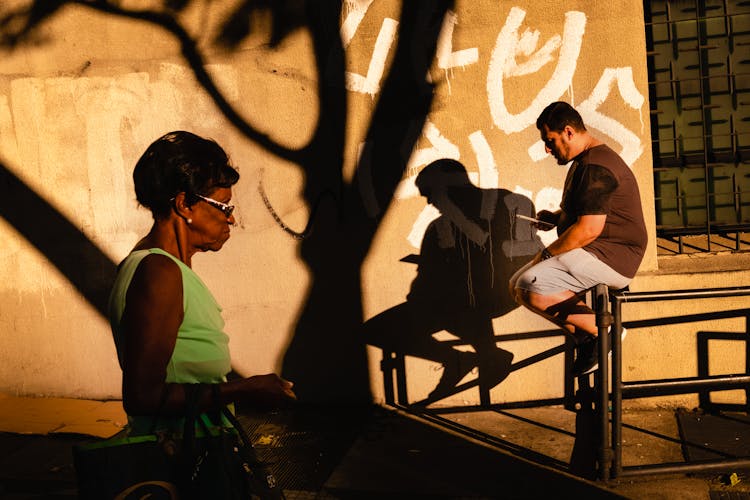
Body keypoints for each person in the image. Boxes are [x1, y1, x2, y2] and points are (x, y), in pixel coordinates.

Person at [108, 130, 296, 436]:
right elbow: (142, 397)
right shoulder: (160, 273)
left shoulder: (157, 265)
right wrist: (242, 389)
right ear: (185, 204)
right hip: (179, 463)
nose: (231, 219)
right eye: (224, 206)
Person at [364, 159, 541, 404]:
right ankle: (474, 358)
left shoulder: (503, 205)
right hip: (487, 299)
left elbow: (423, 291)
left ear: (446, 189)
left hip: (485, 298)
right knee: (454, 301)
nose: (429, 202)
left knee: (456, 300)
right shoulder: (504, 203)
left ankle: (472, 358)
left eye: (430, 194)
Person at [510, 102, 647, 376]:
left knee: (530, 285)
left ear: (569, 132)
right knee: (515, 284)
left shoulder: (595, 166)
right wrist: (558, 217)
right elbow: (589, 209)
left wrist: (545, 255)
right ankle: (589, 339)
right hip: (600, 252)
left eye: (550, 141)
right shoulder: (585, 161)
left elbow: (589, 229)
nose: (547, 149)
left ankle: (605, 332)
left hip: (614, 257)